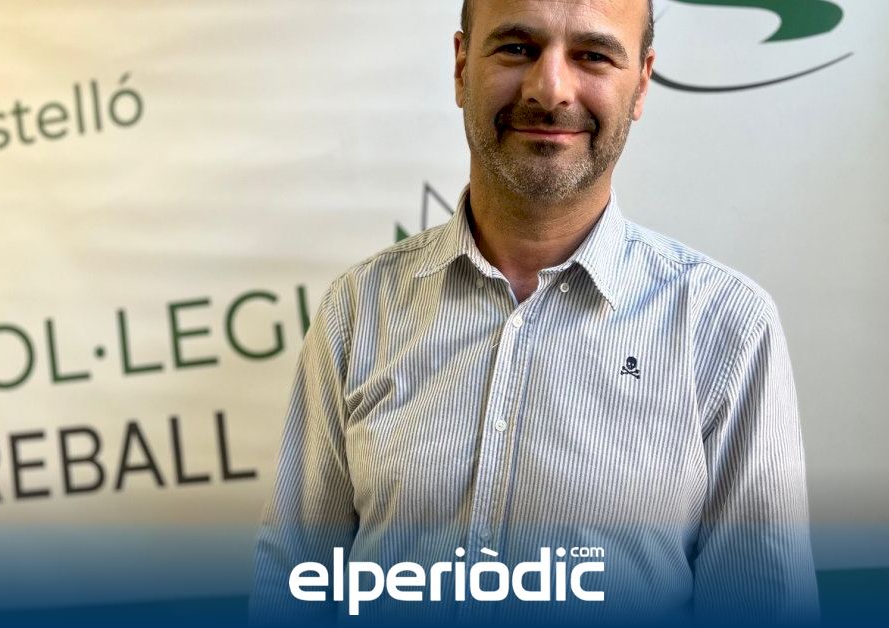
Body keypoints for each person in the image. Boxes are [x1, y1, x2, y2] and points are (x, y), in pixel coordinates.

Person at [251, 0, 819, 625]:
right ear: (461, 67)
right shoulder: (358, 309)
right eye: (517, 48)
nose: (550, 90)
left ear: (640, 84)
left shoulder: (726, 330)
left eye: (593, 56)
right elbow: (293, 589)